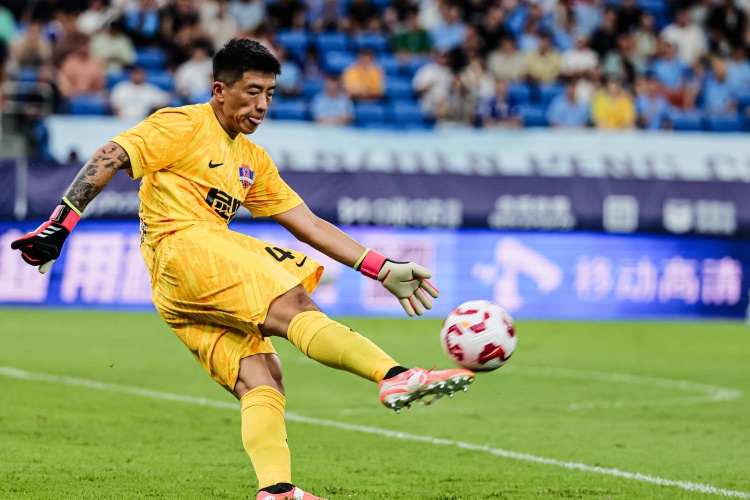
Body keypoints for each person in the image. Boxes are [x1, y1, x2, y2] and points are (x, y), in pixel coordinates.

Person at [9, 39, 474, 500]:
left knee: (262, 374)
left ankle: (276, 490)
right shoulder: (182, 124)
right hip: (184, 247)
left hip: (177, 288)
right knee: (293, 304)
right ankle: (393, 375)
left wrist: (382, 268)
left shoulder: (251, 160)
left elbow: (309, 224)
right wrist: (62, 222)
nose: (262, 105)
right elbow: (110, 155)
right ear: (219, 90)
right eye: (252, 91)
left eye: (270, 93)